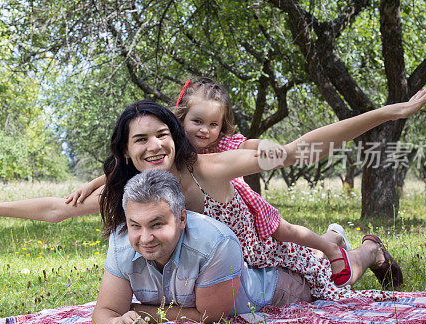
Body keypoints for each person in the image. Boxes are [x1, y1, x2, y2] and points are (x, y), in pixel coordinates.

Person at [0, 84, 426, 300]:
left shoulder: (209, 166)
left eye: (161, 134)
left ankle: (368, 250)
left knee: (337, 282)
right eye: (139, 140)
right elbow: (59, 209)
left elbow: (293, 151)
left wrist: (386, 114)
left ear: (176, 135)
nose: (153, 145)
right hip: (212, 280)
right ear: (126, 153)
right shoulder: (134, 190)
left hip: (266, 261)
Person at [65, 78, 358, 286]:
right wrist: (91, 185)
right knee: (294, 251)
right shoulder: (166, 153)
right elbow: (121, 166)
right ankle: (333, 240)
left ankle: (335, 247)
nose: (205, 130)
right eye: (197, 122)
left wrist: (268, 146)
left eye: (213, 124)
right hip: (229, 247)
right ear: (179, 120)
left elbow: (260, 147)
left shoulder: (219, 152)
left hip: (243, 213)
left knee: (289, 237)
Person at [91, 170, 383, 324]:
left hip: (275, 287)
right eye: (135, 225)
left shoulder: (216, 242)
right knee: (314, 258)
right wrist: (116, 323)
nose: (145, 238)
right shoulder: (121, 242)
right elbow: (103, 314)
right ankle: (332, 237)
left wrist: (137, 311)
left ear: (181, 219)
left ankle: (368, 251)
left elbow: (207, 317)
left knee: (329, 280)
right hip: (239, 272)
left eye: (157, 224)